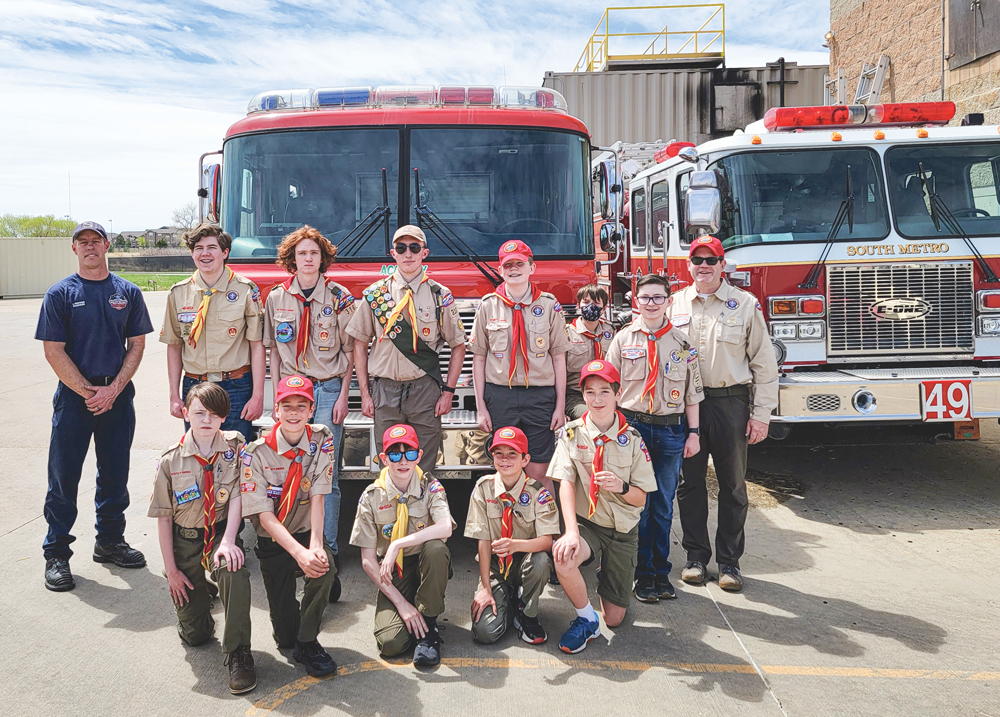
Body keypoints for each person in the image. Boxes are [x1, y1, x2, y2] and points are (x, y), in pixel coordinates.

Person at [35, 221, 153, 591]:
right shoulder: (60, 294)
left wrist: (114, 389)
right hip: (75, 399)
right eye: (82, 242)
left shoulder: (128, 292)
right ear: (74, 249)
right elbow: (53, 350)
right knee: (64, 476)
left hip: (117, 398)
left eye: (96, 241)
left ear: (106, 247)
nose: (89, 247)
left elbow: (136, 344)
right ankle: (56, 553)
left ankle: (110, 542)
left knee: (115, 473)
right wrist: (89, 392)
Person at [668, 235, 779, 592]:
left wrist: (761, 414)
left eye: (710, 259)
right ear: (688, 265)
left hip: (730, 403)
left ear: (722, 265)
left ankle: (729, 562)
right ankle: (696, 557)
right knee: (690, 485)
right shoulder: (673, 304)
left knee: (733, 486)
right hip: (687, 405)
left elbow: (764, 363)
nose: (703, 266)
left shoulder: (744, 305)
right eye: (697, 259)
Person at [264, 226, 356, 602]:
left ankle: (327, 550)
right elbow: (272, 350)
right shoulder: (275, 298)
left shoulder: (340, 297)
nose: (307, 259)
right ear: (292, 259)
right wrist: (275, 398)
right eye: (301, 253)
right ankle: (293, 544)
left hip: (328, 388)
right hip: (291, 394)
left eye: (314, 254)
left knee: (327, 475)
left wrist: (343, 397)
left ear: (323, 259)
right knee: (288, 470)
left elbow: (352, 350)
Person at [147, 382, 255, 694]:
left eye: (213, 414)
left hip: (221, 533)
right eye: (199, 413)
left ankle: (239, 651)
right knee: (196, 636)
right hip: (185, 540)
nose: (206, 419)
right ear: (186, 413)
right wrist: (172, 571)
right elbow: (164, 518)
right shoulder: (170, 461)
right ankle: (201, 595)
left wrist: (229, 540)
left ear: (224, 417)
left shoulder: (235, 447)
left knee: (234, 572)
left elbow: (237, 496)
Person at [606, 274, 702, 603]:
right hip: (632, 429)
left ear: (669, 301)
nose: (651, 303)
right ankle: (641, 574)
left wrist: (694, 433)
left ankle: (661, 572)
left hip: (670, 430)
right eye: (645, 298)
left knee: (662, 505)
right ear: (635, 301)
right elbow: (609, 389)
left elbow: (693, 393)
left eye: (658, 298)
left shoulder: (684, 344)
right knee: (639, 504)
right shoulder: (622, 340)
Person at [547, 360, 655, 653]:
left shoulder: (632, 440)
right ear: (582, 396)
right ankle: (586, 620)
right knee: (564, 557)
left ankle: (608, 572)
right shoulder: (571, 433)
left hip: (622, 530)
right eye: (590, 392)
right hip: (588, 524)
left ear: (617, 394)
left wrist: (620, 486)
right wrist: (570, 532)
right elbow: (565, 482)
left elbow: (641, 499)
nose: (597, 399)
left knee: (616, 619)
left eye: (605, 391)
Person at [346, 225, 465, 475]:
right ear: (393, 253)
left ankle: (423, 513)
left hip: (425, 390)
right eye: (401, 248)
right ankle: (390, 513)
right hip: (385, 391)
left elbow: (458, 345)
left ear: (425, 252)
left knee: (425, 466)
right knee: (387, 465)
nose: (408, 253)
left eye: (414, 247)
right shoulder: (375, 295)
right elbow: (359, 344)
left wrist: (449, 392)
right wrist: (365, 394)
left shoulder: (439, 295)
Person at [240, 376, 338, 677]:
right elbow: (265, 517)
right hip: (274, 539)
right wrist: (299, 554)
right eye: (286, 406)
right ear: (276, 411)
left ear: (311, 410)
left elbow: (319, 495)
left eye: (301, 406)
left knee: (325, 564)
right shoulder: (255, 453)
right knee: (283, 637)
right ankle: (294, 627)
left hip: (306, 531)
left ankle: (309, 642)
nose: (294, 413)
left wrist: (317, 546)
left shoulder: (321, 438)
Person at [350, 424, 455, 667]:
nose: (403, 461)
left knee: (437, 548)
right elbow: (367, 560)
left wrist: (397, 543)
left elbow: (445, 527)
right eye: (395, 454)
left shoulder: (430, 487)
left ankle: (429, 629)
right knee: (391, 644)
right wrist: (401, 604)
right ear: (384, 458)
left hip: (424, 563)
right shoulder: (371, 497)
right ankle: (411, 610)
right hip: (393, 573)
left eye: (409, 453)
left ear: (419, 455)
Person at [471, 239, 570, 488]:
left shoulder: (549, 306)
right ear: (500, 270)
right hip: (500, 396)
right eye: (508, 265)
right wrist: (481, 406)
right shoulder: (487, 305)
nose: (514, 269)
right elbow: (479, 358)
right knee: (505, 468)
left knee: (540, 470)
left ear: (532, 268)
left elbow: (559, 357)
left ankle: (543, 526)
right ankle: (508, 524)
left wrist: (560, 406)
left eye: (520, 264)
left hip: (539, 396)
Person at [161, 223, 265, 440]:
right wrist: (173, 395)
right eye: (198, 248)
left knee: (235, 454)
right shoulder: (178, 293)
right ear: (191, 253)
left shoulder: (246, 290)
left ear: (225, 252)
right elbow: (174, 346)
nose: (205, 254)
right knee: (199, 454)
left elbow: (257, 346)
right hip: (195, 386)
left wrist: (257, 396)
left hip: (236, 386)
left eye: (212, 247)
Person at [465, 426, 560, 645]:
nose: (505, 459)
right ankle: (506, 598)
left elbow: (547, 542)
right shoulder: (483, 489)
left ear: (525, 459)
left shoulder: (539, 493)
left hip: (524, 562)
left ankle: (527, 614)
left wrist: (515, 545)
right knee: (485, 633)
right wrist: (486, 590)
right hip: (496, 567)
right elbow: (483, 542)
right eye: (499, 453)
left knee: (541, 561)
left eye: (512, 454)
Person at [564, 284, 616, 419]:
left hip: (607, 392)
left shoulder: (610, 332)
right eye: (586, 302)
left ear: (604, 309)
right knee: (592, 415)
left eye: (596, 303)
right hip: (576, 394)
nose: (590, 306)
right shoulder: (567, 334)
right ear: (578, 305)